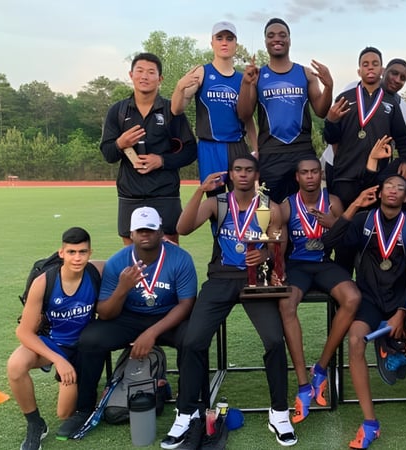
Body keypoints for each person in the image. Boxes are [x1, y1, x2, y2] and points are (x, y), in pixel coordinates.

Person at [167, 155, 294, 448]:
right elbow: (182, 228)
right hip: (221, 278)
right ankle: (185, 412)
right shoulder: (217, 203)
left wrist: (264, 255)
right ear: (232, 175)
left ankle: (279, 412)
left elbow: (281, 243)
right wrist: (200, 191)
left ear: (257, 175)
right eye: (238, 170)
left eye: (249, 170)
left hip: (255, 282)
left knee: (275, 341)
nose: (244, 175)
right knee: (193, 341)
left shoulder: (269, 207)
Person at [323, 177, 406, 449]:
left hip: (402, 301)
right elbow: (329, 240)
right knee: (355, 341)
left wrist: (402, 312)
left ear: (405, 198)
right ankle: (370, 423)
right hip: (368, 300)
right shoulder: (364, 220)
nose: (393, 190)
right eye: (389, 186)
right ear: (379, 193)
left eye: (400, 188)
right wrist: (355, 204)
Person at [57, 207, 197, 440]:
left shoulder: (180, 258)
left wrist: (151, 333)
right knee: (91, 339)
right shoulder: (118, 262)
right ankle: (85, 408)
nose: (145, 235)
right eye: (140, 230)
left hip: (168, 317)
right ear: (131, 234)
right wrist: (122, 288)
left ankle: (187, 408)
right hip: (129, 317)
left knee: (193, 338)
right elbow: (105, 313)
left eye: (150, 229)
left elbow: (186, 304)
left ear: (160, 231)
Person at [277, 157, 361, 424]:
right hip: (298, 266)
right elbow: (279, 245)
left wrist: (333, 224)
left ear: (321, 174)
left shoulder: (333, 202)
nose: (310, 176)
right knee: (286, 305)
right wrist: (278, 273)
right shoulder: (286, 205)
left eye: (314, 172)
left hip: (324, 264)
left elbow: (348, 240)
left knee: (353, 298)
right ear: (297, 177)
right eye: (305, 173)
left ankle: (321, 369)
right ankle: (303, 385)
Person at [7, 227, 101, 450]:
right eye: (71, 252)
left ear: (90, 253)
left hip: (81, 346)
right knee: (16, 365)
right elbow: (23, 332)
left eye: (82, 252)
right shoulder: (44, 282)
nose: (77, 258)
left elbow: (126, 260)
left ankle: (71, 378)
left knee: (65, 413)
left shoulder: (96, 272)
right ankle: (35, 424)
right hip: (51, 344)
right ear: (61, 253)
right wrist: (58, 360)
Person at [100, 53, 197, 245]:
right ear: (131, 75)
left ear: (160, 79)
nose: (145, 76)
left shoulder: (172, 111)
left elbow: (191, 151)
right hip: (130, 195)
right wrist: (121, 143)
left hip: (165, 194)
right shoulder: (118, 111)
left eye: (151, 72)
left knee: (169, 259)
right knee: (132, 259)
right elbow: (108, 153)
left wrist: (161, 161)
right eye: (140, 71)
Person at [237, 18, 333, 203]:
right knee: (272, 215)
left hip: (302, 150)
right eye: (271, 35)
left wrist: (328, 86)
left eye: (282, 35)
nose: (277, 39)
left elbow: (321, 111)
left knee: (308, 210)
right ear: (265, 41)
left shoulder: (305, 74)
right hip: (271, 154)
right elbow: (244, 114)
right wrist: (245, 83)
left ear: (289, 39)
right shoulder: (257, 77)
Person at [324, 47, 406, 210]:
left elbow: (401, 138)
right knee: (342, 222)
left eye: (375, 64)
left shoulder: (392, 104)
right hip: (345, 174)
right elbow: (331, 138)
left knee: (367, 224)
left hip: (375, 177)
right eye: (365, 64)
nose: (370, 67)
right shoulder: (345, 98)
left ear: (381, 69)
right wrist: (331, 121)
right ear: (359, 71)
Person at [171, 21, 256, 188]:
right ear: (212, 43)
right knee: (216, 204)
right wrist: (180, 87)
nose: (224, 42)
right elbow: (176, 109)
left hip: (237, 146)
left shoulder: (242, 79)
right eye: (219, 38)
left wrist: (257, 148)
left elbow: (248, 118)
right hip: (209, 147)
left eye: (229, 38)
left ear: (236, 45)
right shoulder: (202, 73)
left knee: (242, 202)